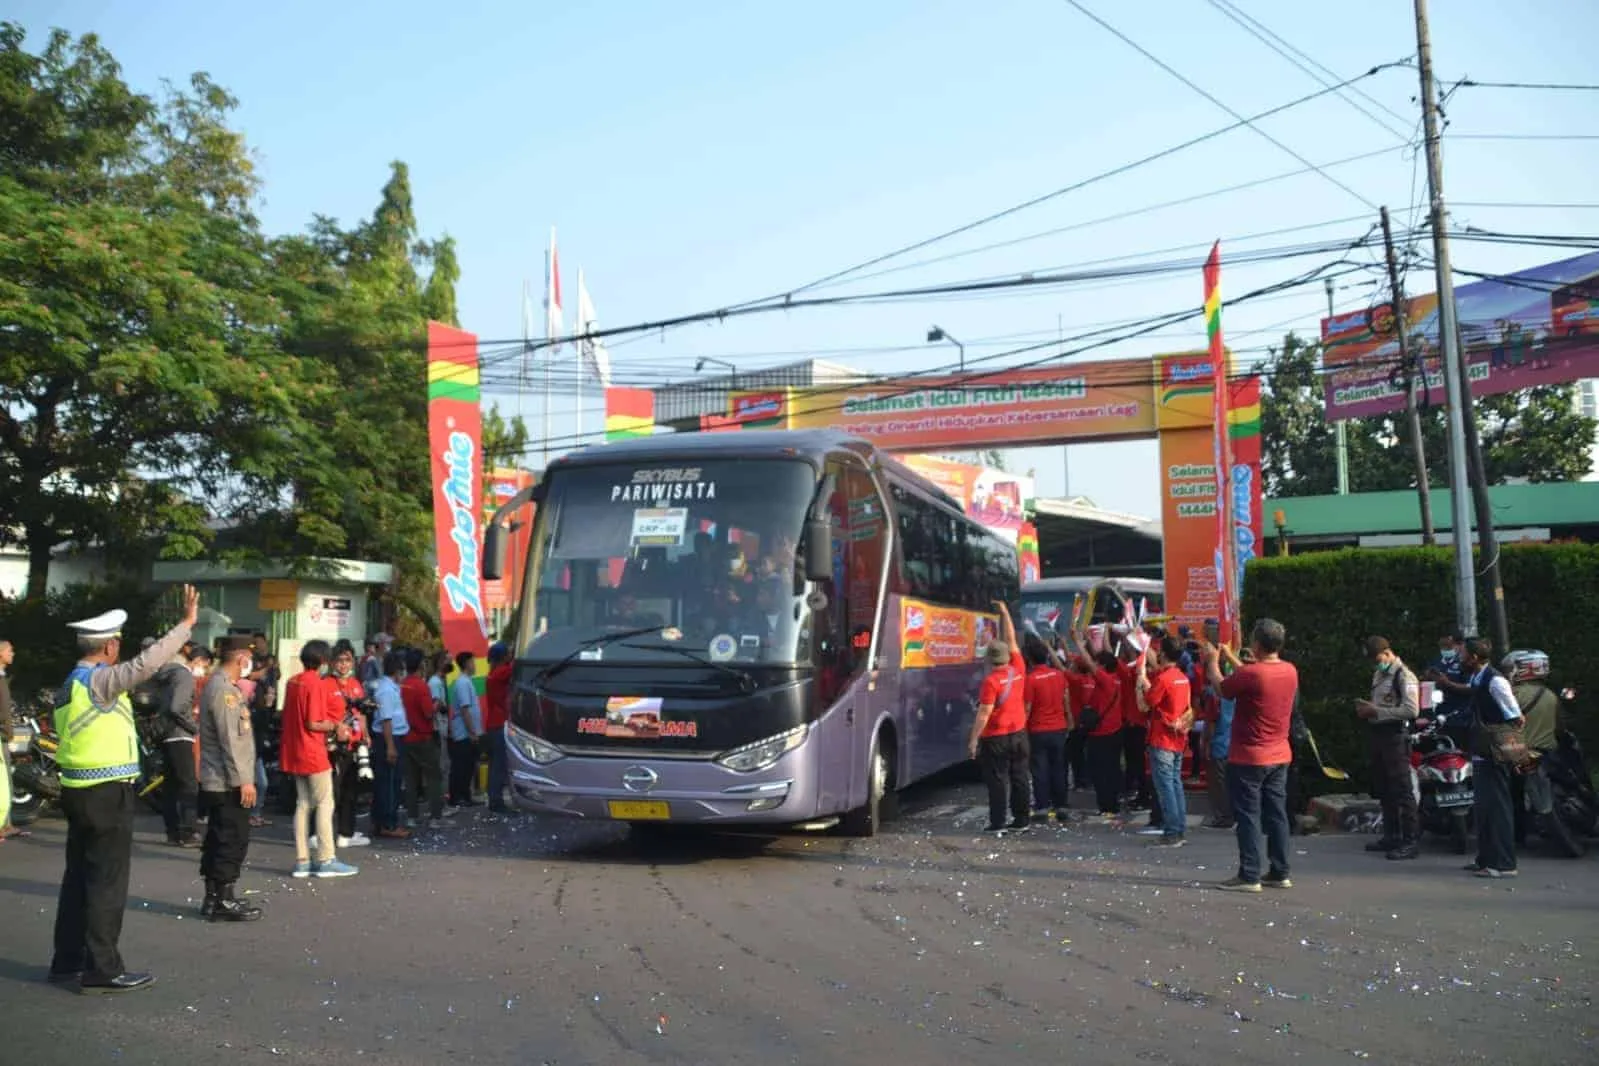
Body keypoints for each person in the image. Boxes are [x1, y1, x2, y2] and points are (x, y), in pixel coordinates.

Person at [48, 587, 198, 994]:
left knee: (78, 877)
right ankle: (103, 968)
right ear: (110, 646)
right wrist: (185, 626)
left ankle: (67, 961)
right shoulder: (99, 680)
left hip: (77, 789)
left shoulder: (70, 683)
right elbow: (146, 663)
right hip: (105, 792)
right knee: (107, 882)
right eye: (119, 644)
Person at [1204, 619, 1299, 892]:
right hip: (1279, 753)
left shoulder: (1252, 674)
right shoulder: (1289, 670)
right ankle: (1280, 871)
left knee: (1248, 816)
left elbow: (1224, 688)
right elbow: (1251, 676)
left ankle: (1249, 874)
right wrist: (1232, 656)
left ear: (1257, 644)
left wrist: (1212, 662)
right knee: (1277, 815)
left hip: (1249, 756)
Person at [196, 637, 264, 923]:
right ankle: (223, 898)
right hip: (226, 781)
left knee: (218, 838)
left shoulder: (219, 685)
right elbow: (232, 741)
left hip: (217, 779)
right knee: (231, 839)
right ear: (240, 659)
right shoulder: (224, 691)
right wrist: (244, 781)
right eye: (248, 657)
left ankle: (214, 897)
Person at [280, 640, 359, 880]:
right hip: (312, 751)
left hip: (292, 750)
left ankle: (302, 860)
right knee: (325, 803)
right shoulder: (315, 683)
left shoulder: (293, 681)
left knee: (303, 805)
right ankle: (326, 859)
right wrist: (335, 725)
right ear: (323, 661)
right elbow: (314, 722)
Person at [1356, 637, 1421, 860]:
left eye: (1377, 659)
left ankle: (1410, 841)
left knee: (1403, 789)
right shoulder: (1379, 674)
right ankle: (1391, 835)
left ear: (1387, 653)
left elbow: (1412, 710)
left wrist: (1377, 712)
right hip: (1379, 735)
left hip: (1395, 735)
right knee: (1384, 788)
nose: (1376, 664)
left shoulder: (1404, 675)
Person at [1462, 637, 1522, 879]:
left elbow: (1516, 717)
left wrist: (1499, 737)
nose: (1459, 658)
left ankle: (1504, 863)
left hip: (1495, 753)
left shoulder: (1495, 681)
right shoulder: (1477, 678)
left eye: (1463, 654)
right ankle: (1485, 859)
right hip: (1481, 751)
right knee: (1484, 808)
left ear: (1474, 657)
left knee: (1498, 808)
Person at [968, 601, 1029, 833]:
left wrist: (974, 739)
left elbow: (984, 713)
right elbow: (1012, 640)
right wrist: (1005, 613)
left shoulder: (990, 682)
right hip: (1020, 733)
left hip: (996, 738)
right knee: (1020, 777)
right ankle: (1022, 820)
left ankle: (998, 822)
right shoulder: (1019, 668)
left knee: (997, 781)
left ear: (989, 659)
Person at [1136, 637, 1191, 846]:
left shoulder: (1165, 678)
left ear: (1164, 654)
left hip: (1162, 739)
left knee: (1166, 787)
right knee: (1175, 784)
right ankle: (1178, 829)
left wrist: (1141, 681)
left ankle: (1172, 832)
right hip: (1177, 738)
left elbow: (1148, 703)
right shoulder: (1181, 677)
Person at [324, 646, 373, 848]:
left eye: (348, 660)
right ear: (332, 662)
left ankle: (346, 834)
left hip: (355, 745)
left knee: (350, 792)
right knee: (329, 792)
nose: (344, 664)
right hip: (334, 746)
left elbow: (361, 713)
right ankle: (319, 834)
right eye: (340, 660)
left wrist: (366, 736)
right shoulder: (326, 684)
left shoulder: (355, 684)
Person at [153, 644, 200, 847]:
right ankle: (188, 832)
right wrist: (193, 727)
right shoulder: (184, 675)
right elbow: (177, 707)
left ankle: (172, 831)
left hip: (165, 734)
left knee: (171, 786)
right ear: (197, 660)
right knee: (188, 785)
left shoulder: (165, 676)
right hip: (180, 735)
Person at [1023, 634, 1070, 822]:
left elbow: (1027, 708)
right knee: (1059, 768)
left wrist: (1022, 730)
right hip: (1059, 728)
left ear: (1030, 659)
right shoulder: (1059, 675)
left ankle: (1042, 807)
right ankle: (1061, 806)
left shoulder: (1031, 679)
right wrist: (1069, 721)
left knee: (1039, 769)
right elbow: (1065, 699)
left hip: (1038, 730)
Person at [401, 648, 449, 828]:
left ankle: (411, 817)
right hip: (424, 737)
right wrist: (437, 704)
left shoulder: (402, 685)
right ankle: (435, 817)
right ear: (421, 664)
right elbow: (428, 713)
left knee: (411, 779)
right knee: (433, 777)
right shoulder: (421, 686)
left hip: (406, 737)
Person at [368, 651, 410, 839]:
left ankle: (383, 821)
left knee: (389, 782)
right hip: (389, 739)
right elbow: (386, 721)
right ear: (397, 670)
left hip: (393, 738)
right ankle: (388, 823)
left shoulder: (391, 688)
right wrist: (391, 747)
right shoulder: (386, 690)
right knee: (389, 783)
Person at [1085, 651, 1125, 819]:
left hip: (1101, 732)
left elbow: (1089, 665)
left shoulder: (1106, 680)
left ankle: (1106, 805)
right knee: (1113, 769)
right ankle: (1113, 804)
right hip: (1115, 730)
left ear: (1102, 666)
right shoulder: (1117, 680)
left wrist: (1077, 642)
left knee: (1099, 772)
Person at [448, 651, 484, 807]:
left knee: (468, 765)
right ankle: (458, 797)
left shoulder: (467, 681)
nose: (474, 665)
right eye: (472, 662)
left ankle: (465, 795)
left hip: (467, 732)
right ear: (466, 664)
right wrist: (472, 732)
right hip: (464, 734)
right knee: (461, 766)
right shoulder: (462, 683)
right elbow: (464, 710)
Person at [483, 642, 514, 813]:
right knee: (499, 765)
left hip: (493, 724)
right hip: (499, 725)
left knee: (495, 763)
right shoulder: (502, 672)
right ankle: (496, 801)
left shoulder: (493, 673)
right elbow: (517, 668)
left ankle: (493, 797)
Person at [0, 639, 20, 842]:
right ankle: (4, 825)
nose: (12, 654)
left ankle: (7, 823)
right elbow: (4, 710)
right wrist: (8, 731)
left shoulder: (3, 677)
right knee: (4, 781)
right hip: (1, 736)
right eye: (9, 651)